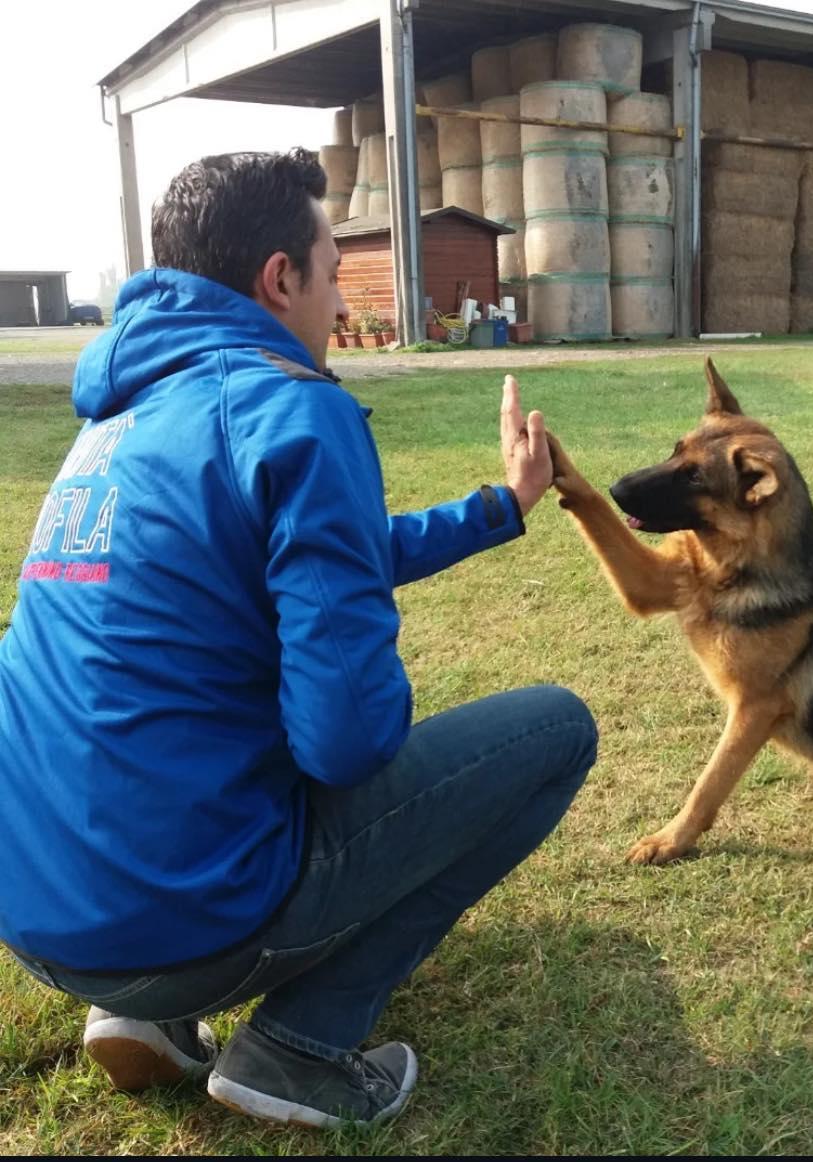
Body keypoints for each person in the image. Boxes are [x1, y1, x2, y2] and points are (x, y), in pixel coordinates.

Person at [0, 149, 597, 1129]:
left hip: (43, 916)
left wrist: (502, 506)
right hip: (189, 918)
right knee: (556, 730)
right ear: (281, 278)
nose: (337, 305)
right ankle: (300, 1044)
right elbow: (347, 739)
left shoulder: (116, 417)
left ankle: (146, 1014)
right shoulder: (290, 405)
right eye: (332, 272)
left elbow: (324, 557)